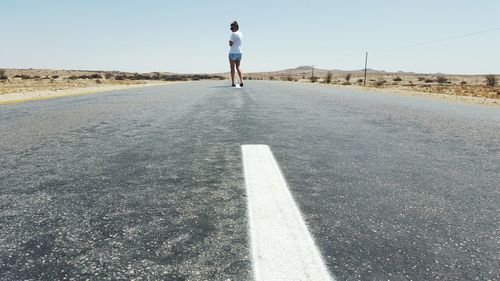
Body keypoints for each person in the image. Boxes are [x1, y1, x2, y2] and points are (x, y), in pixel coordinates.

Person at [228, 21, 244, 87]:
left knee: (232, 68)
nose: (231, 29)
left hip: (232, 52)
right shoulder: (241, 33)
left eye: (232, 27)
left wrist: (229, 42)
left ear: (236, 27)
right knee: (238, 67)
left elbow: (230, 44)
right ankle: (241, 81)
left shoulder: (233, 34)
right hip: (239, 52)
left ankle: (233, 82)